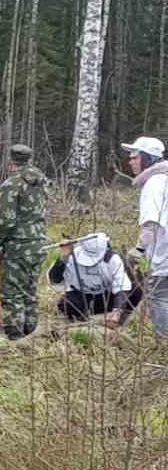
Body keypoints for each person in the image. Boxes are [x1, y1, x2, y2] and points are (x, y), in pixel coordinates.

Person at [0, 143, 48, 340]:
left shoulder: (11, 184)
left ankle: (15, 338)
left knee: (12, 293)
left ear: (11, 160)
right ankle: (31, 335)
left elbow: (4, 220)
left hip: (18, 245)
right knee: (29, 291)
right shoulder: (41, 182)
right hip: (39, 241)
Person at [121, 135, 168, 335]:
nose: (130, 161)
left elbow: (151, 223)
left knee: (159, 298)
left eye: (135, 156)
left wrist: (139, 249)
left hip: (164, 257)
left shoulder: (154, 183)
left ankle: (162, 346)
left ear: (148, 158)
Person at [49, 232, 134, 322]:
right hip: (81, 295)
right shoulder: (72, 256)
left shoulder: (112, 259)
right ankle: (81, 315)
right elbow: (55, 281)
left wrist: (117, 310)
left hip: (106, 296)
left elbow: (121, 286)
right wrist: (63, 259)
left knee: (133, 296)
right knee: (67, 306)